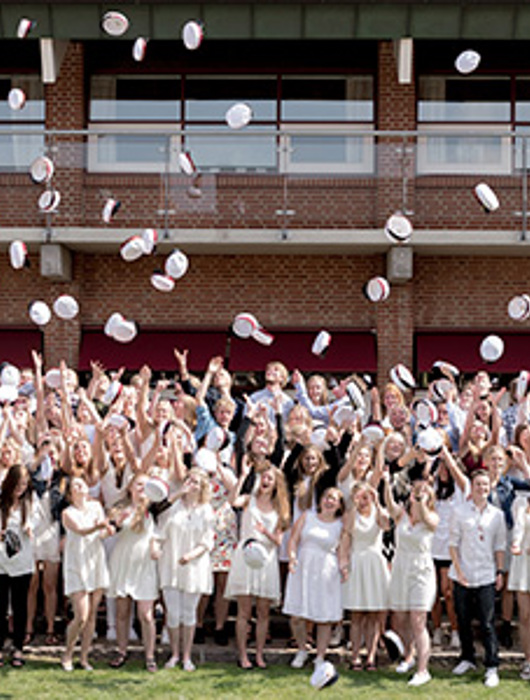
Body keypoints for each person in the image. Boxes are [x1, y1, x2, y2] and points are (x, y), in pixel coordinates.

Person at [225, 464, 290, 669]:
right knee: (244, 611)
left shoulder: (279, 508)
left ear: (276, 484)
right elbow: (232, 501)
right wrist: (243, 475)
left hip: (266, 559)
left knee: (263, 612)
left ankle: (259, 655)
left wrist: (266, 532)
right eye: (264, 477)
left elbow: (279, 541)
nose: (266, 481)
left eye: (270, 479)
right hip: (245, 556)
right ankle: (243, 655)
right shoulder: (248, 500)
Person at [449, 469, 506, 688]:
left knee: (487, 623)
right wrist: (459, 572)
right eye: (477, 484)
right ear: (471, 487)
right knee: (463, 620)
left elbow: (500, 546)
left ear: (490, 487)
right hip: (462, 575)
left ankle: (492, 665)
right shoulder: (459, 512)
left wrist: (500, 572)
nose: (481, 488)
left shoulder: (497, 515)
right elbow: (453, 544)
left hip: (486, 574)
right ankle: (467, 658)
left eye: (485, 484)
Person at [384, 470, 439, 687]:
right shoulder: (401, 516)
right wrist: (387, 483)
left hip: (421, 571)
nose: (418, 494)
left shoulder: (432, 517)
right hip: (400, 567)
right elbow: (389, 504)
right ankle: (409, 655)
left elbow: (427, 518)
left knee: (418, 620)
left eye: (424, 492)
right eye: (416, 492)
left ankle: (423, 670)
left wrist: (422, 502)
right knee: (402, 617)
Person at [283, 487, 347, 670]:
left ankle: (320, 655)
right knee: (296, 615)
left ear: (339, 505)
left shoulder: (340, 525)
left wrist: (344, 568)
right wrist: (292, 557)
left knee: (324, 616)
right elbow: (293, 540)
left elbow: (342, 551)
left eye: (334, 499)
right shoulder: (307, 516)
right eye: (327, 497)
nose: (329, 501)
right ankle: (302, 650)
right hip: (303, 566)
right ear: (320, 500)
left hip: (326, 569)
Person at [157, 468, 215, 672]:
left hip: (194, 565)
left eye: (196, 482)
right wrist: (178, 494)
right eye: (189, 480)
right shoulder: (174, 507)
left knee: (189, 613)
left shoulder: (206, 510)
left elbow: (207, 541)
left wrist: (191, 555)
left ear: (202, 488)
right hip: (171, 563)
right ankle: (174, 654)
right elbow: (160, 529)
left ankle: (187, 656)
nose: (192, 485)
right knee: (172, 613)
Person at [107, 472, 159, 672]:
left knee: (146, 614)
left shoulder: (153, 507)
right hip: (123, 561)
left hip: (144, 564)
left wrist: (155, 545)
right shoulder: (121, 508)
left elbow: (158, 532)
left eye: (145, 485)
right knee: (122, 612)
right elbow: (111, 528)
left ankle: (150, 655)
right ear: (130, 487)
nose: (141, 488)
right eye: (138, 484)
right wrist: (116, 523)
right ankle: (121, 651)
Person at [61, 477, 113, 671]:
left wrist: (108, 529)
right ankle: (67, 654)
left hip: (95, 560)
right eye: (75, 484)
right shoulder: (67, 513)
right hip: (76, 562)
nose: (80, 486)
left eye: (82, 483)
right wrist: (99, 526)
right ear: (70, 493)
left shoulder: (96, 507)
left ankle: (83, 658)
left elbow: (101, 535)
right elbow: (81, 531)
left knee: (91, 616)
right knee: (81, 616)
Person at [341, 481, 390, 671]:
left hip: (375, 562)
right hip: (357, 562)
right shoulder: (350, 514)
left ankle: (371, 656)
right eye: (359, 497)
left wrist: (377, 502)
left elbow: (386, 526)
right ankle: (355, 657)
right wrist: (354, 505)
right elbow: (350, 529)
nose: (363, 500)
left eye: (366, 496)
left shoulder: (379, 512)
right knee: (357, 615)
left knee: (374, 614)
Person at [0, 464, 35, 668]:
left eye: (24, 484)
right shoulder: (1, 502)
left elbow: (33, 522)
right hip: (2, 563)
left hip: (22, 563)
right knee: (1, 607)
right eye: (18, 484)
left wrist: (29, 527)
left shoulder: (29, 502)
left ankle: (18, 648)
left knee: (20, 607)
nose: (21, 488)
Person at [508, 495, 530, 680]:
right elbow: (518, 528)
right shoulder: (521, 501)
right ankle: (528, 661)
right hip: (524, 564)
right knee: (525, 616)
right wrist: (516, 544)